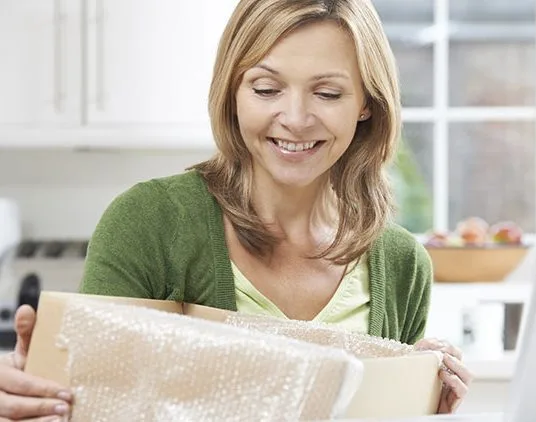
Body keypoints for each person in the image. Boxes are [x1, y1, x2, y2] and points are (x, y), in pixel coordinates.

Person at [0, 0, 472, 419]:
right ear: (232, 93)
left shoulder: (402, 264)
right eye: (266, 89)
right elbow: (91, 404)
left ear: (367, 103)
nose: (295, 117)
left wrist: (417, 393)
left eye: (327, 93)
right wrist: (38, 393)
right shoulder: (150, 223)